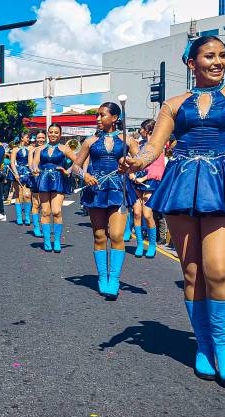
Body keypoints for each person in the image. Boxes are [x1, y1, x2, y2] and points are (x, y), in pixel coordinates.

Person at [124, 36, 225, 385]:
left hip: (222, 181)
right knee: (193, 271)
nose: (218, 62)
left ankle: (223, 346)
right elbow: (155, 147)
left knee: (217, 269)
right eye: (209, 56)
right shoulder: (174, 103)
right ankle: (204, 345)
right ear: (191, 63)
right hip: (182, 180)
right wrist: (136, 162)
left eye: (222, 56)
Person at [70, 104, 135, 298]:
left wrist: (130, 165)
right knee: (99, 236)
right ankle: (102, 277)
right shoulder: (90, 141)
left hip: (118, 190)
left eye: (101, 115)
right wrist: (85, 176)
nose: (97, 118)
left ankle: (114, 279)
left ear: (114, 117)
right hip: (96, 190)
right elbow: (75, 167)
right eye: (97, 115)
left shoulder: (127, 140)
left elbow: (140, 162)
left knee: (116, 235)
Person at [31, 123, 74, 252]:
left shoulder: (64, 148)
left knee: (56, 211)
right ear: (47, 133)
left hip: (58, 180)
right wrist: (35, 169)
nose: (53, 134)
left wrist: (68, 171)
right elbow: (34, 163)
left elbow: (78, 160)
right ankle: (46, 241)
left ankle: (57, 241)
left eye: (56, 132)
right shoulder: (40, 149)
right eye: (51, 132)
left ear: (60, 134)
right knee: (45, 211)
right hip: (44, 180)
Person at [128, 119, 163, 258]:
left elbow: (158, 168)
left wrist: (144, 178)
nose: (140, 131)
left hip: (150, 182)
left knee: (147, 214)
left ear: (148, 130)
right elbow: (134, 161)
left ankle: (152, 244)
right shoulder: (139, 145)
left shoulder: (157, 147)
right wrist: (131, 172)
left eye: (142, 128)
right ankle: (140, 244)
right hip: (137, 181)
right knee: (137, 213)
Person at [9, 132, 34, 226]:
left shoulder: (31, 148)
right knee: (18, 194)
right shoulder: (15, 149)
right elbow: (12, 163)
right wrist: (15, 173)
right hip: (18, 171)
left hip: (27, 171)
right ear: (21, 138)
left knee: (27, 195)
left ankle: (27, 216)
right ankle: (19, 217)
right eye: (27, 137)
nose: (29, 139)